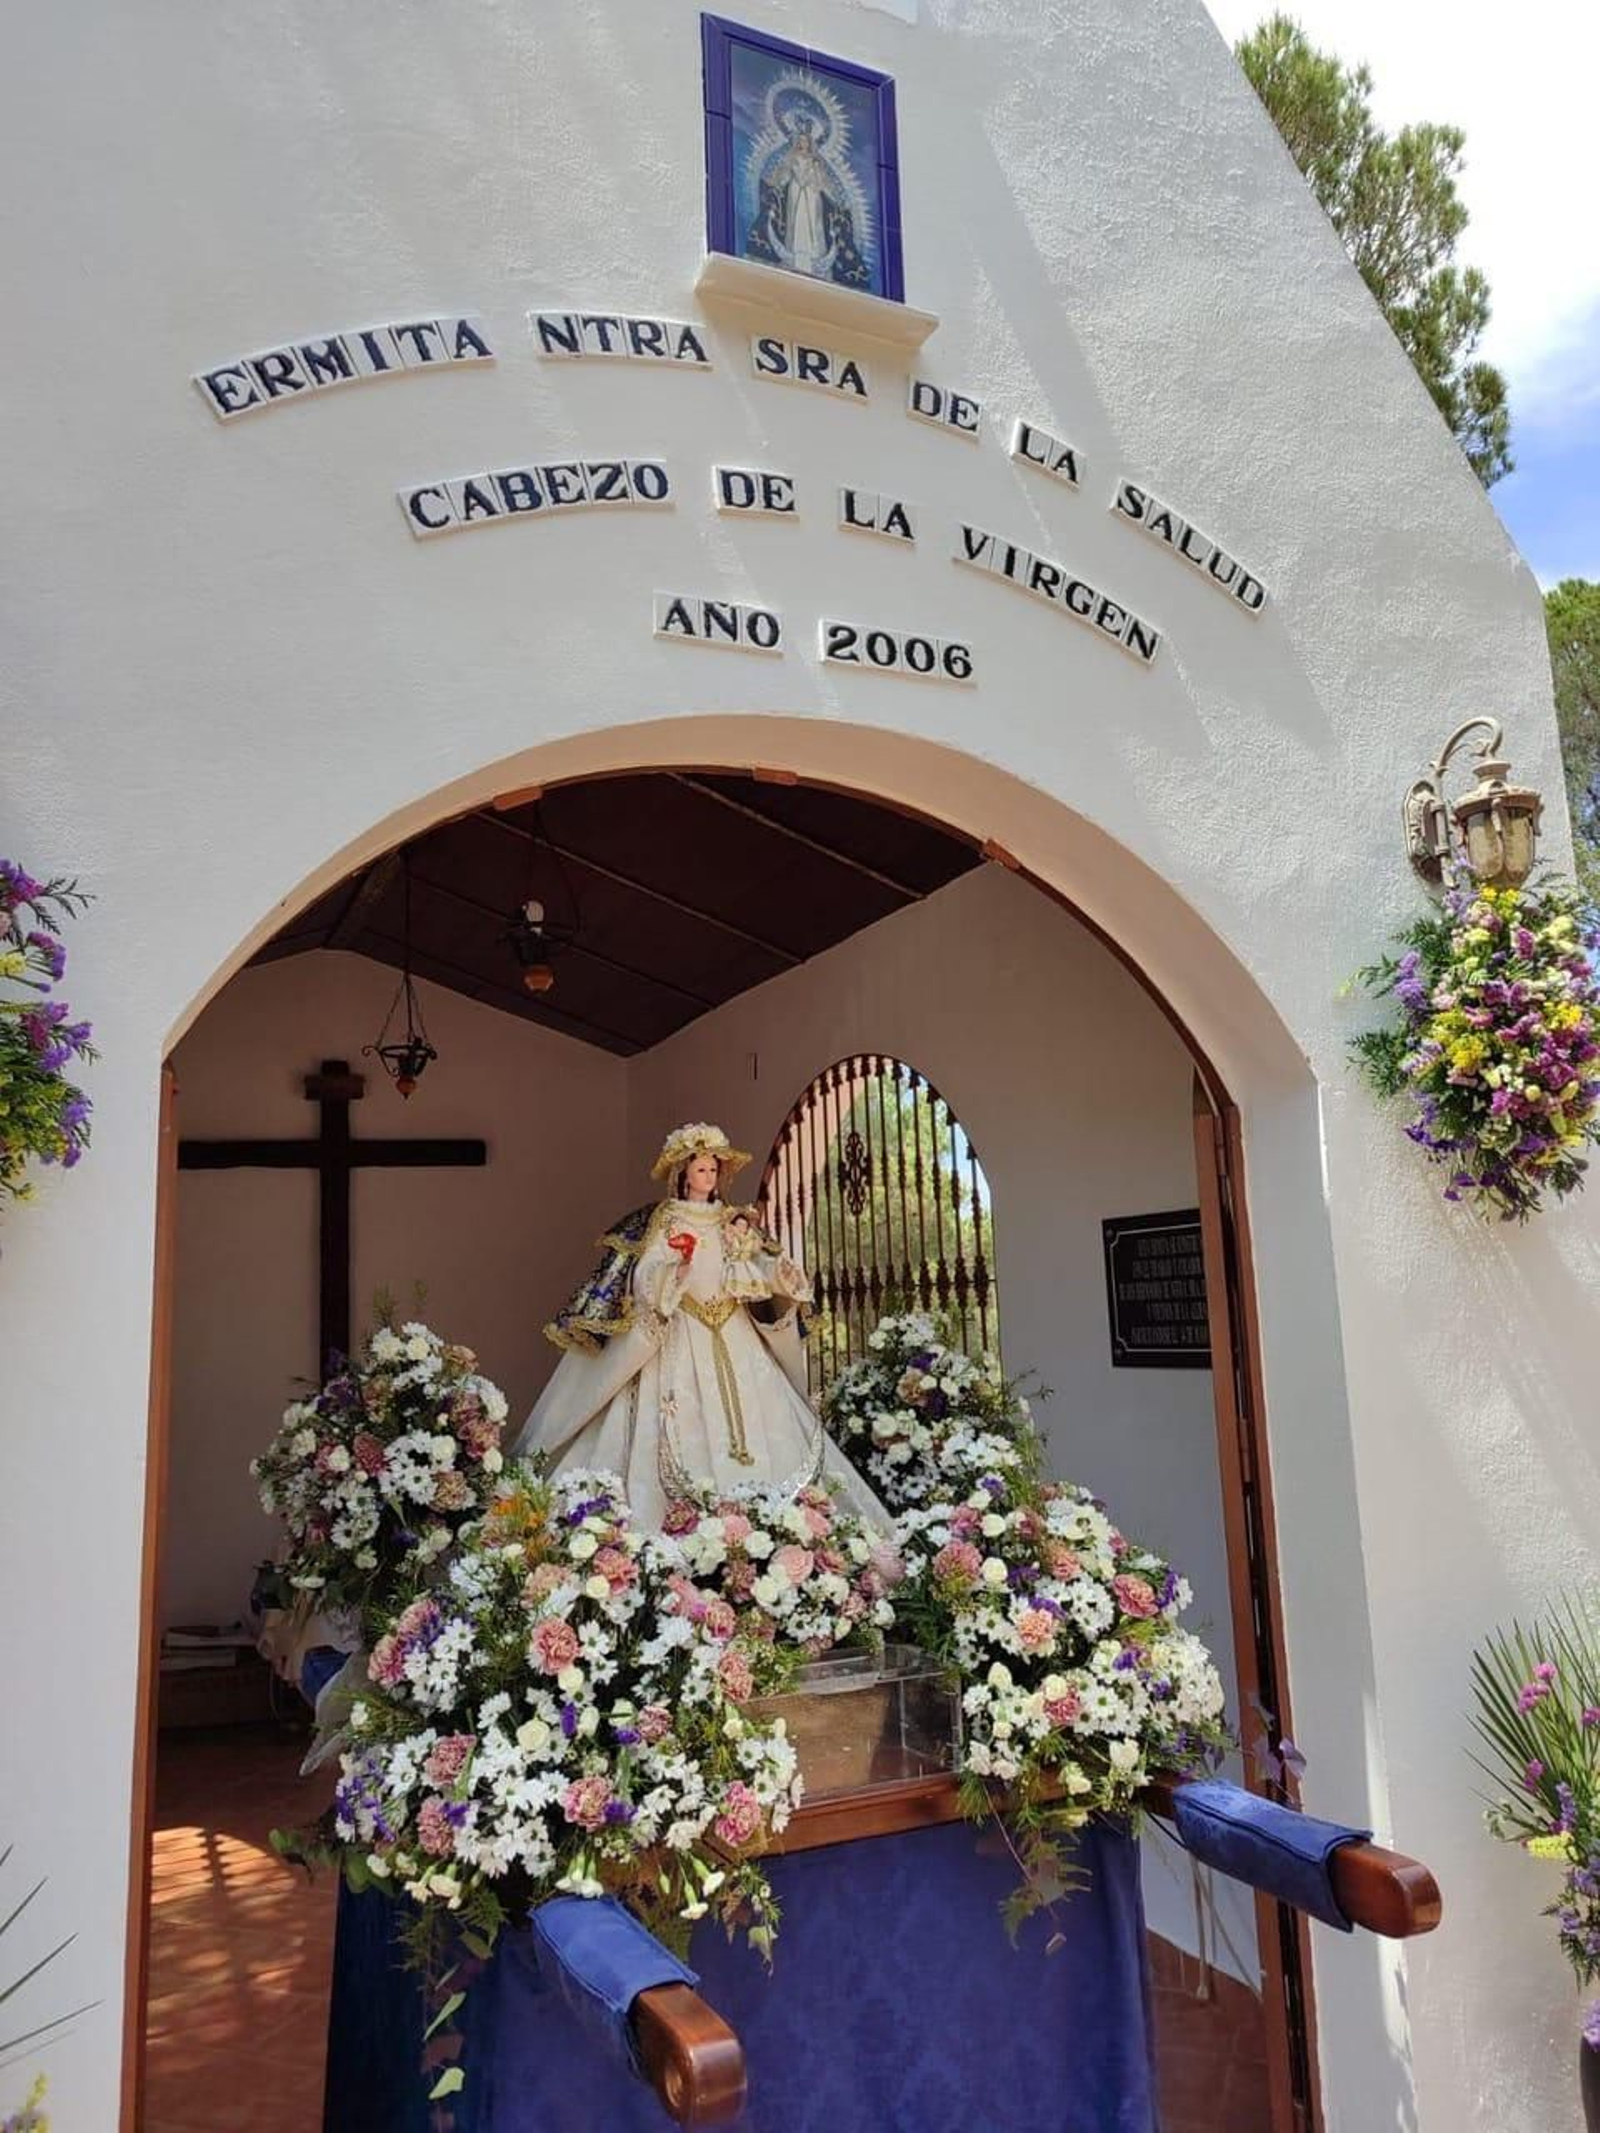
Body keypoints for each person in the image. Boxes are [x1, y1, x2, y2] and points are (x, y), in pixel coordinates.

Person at [513, 1122, 890, 1530]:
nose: (708, 1178)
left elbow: (755, 1265)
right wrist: (671, 1273)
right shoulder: (664, 1220)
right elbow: (644, 1271)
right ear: (683, 1174)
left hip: (733, 1331)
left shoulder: (735, 1221)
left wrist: (779, 1274)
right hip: (681, 1328)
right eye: (701, 1170)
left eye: (714, 1170)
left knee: (762, 1425)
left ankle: (764, 1521)